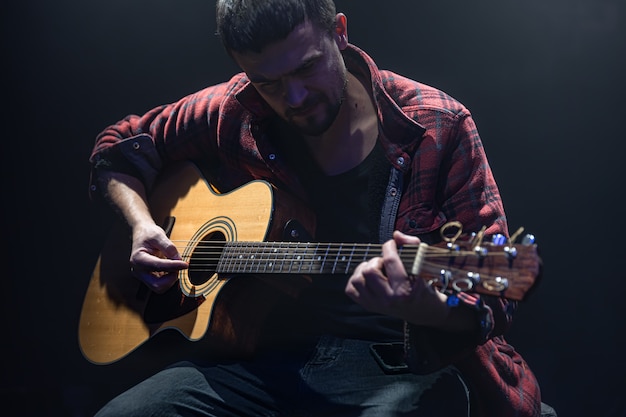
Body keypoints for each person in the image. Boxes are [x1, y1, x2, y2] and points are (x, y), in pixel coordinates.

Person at [87, 0, 546, 416]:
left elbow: (494, 298)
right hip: (255, 365)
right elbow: (118, 147)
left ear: (339, 32)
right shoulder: (233, 110)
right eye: (268, 83)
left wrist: (425, 308)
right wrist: (141, 224)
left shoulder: (435, 125)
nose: (295, 98)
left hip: (395, 364)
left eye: (307, 68)